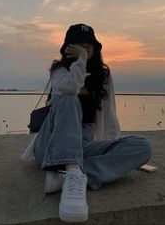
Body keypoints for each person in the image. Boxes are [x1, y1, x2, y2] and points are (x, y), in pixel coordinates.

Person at [21, 23, 152, 223]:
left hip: (82, 142)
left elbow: (109, 116)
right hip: (51, 142)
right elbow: (70, 88)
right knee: (68, 98)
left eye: (89, 42)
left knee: (142, 146)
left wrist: (116, 150)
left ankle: (70, 175)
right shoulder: (60, 70)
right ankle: (71, 171)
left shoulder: (104, 77)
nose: (86, 45)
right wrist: (81, 60)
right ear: (69, 47)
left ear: (96, 46)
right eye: (79, 43)